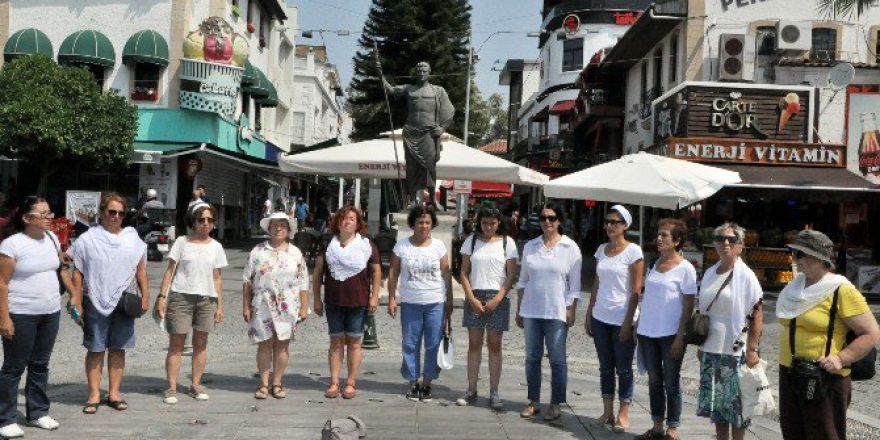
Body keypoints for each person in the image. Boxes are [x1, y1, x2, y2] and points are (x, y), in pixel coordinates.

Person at [776, 230, 880, 440]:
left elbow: (871, 332)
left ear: (817, 257)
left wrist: (841, 359)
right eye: (795, 253)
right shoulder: (795, 287)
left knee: (825, 435)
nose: (795, 258)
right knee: (793, 434)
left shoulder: (840, 290)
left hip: (823, 377)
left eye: (799, 254)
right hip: (790, 372)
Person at [67, 193, 149, 414]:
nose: (116, 217)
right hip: (94, 298)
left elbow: (140, 270)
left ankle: (114, 393)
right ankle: (94, 393)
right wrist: (76, 300)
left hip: (124, 301)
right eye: (111, 212)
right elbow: (78, 273)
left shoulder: (132, 238)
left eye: (121, 213)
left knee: (118, 347)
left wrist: (146, 296)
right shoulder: (88, 239)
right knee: (95, 348)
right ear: (102, 213)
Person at [0, 196, 73, 437]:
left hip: (50, 312)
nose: (49, 218)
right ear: (26, 218)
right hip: (21, 313)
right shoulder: (12, 245)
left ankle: (38, 412)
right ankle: (6, 418)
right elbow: (2, 283)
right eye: (43, 214)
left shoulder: (52, 239)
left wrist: (74, 294)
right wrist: (4, 318)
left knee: (40, 364)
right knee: (14, 367)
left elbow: (60, 268)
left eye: (50, 213)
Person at [696, 222, 764, 440]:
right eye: (720, 239)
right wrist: (701, 344)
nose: (725, 243)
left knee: (737, 404)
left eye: (731, 240)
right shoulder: (708, 273)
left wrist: (753, 348)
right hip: (711, 346)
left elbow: (757, 313)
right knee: (717, 403)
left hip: (735, 348)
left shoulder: (745, 276)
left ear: (740, 246)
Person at [155, 203, 228, 404]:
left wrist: (220, 305)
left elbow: (217, 277)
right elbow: (170, 270)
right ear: (193, 222)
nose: (205, 223)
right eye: (201, 219)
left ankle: (196, 384)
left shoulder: (216, 247)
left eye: (210, 220)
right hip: (181, 296)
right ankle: (171, 387)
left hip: (207, 298)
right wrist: (162, 297)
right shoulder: (182, 242)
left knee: (201, 344)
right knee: (176, 344)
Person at [516, 203, 582, 421]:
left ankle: (555, 403)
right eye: (543, 218)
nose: (547, 222)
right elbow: (523, 280)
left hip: (557, 311)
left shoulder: (570, 248)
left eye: (552, 218)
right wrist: (519, 308)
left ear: (559, 221)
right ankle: (533, 401)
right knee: (532, 358)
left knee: (557, 359)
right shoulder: (530, 247)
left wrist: (571, 309)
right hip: (532, 310)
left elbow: (574, 285)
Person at [634, 219, 696, 440]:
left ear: (677, 240)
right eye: (658, 235)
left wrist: (681, 336)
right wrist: (638, 325)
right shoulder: (653, 263)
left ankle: (673, 426)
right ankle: (657, 424)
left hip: (670, 334)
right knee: (653, 380)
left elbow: (688, 307)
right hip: (648, 332)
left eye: (664, 236)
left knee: (671, 380)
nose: (659, 239)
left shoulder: (686, 269)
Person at [312, 206, 381, 400]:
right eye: (343, 218)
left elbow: (376, 271)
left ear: (358, 223)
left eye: (352, 218)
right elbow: (317, 273)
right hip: (334, 301)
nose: (347, 221)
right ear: (337, 222)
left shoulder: (367, 245)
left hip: (358, 301)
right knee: (335, 342)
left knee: (354, 343)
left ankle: (350, 381)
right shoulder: (327, 243)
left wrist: (374, 296)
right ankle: (334, 382)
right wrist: (316, 298)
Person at [586, 204, 644, 433]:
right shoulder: (601, 249)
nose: (610, 226)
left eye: (615, 222)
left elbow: (636, 290)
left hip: (623, 317)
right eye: (608, 221)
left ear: (625, 226)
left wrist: (628, 322)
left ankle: (624, 412)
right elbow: (597, 283)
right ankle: (607, 410)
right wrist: (590, 312)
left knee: (624, 368)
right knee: (605, 367)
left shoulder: (633, 252)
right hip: (601, 315)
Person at [387, 204, 452, 402]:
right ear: (413, 224)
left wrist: (449, 300)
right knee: (410, 343)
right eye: (420, 222)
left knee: (433, 344)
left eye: (427, 222)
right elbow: (393, 273)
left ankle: (428, 383)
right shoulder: (402, 246)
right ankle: (413, 381)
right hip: (410, 302)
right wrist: (391, 298)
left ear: (432, 224)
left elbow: (446, 273)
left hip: (435, 302)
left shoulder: (439, 246)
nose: (423, 226)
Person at [455, 206, 518, 410]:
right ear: (479, 223)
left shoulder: (508, 243)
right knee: (474, 344)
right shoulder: (470, 241)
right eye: (484, 223)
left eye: (492, 222)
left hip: (496, 296)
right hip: (475, 294)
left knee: (494, 345)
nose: (488, 226)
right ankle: (471, 389)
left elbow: (510, 275)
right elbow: (463, 272)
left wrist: (498, 298)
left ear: (499, 222)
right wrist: (470, 297)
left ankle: (494, 392)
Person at [243, 212, 309, 400]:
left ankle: (277, 383)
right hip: (262, 304)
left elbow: (303, 281)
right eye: (275, 225)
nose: (279, 228)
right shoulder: (258, 251)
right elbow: (247, 280)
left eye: (283, 225)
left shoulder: (295, 253)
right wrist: (245, 307)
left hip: (287, 306)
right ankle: (263, 384)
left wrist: (304, 307)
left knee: (282, 346)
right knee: (264, 345)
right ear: (269, 228)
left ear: (289, 230)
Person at [381, 61, 455, 202]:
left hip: (429, 133)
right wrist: (380, 75)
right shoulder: (409, 88)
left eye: (424, 71)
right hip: (411, 132)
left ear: (429, 73)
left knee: (430, 166)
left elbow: (450, 110)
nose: (421, 73)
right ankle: (414, 199)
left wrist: (442, 128)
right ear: (416, 73)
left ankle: (433, 199)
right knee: (412, 167)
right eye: (419, 71)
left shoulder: (438, 91)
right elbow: (390, 90)